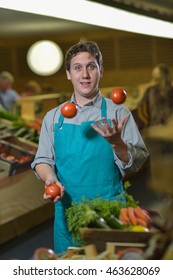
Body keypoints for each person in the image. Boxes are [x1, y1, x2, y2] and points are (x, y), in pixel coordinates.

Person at [31, 39, 149, 254]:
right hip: (69, 212)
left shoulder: (118, 113)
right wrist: (50, 179)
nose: (84, 74)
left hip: (111, 211)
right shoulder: (53, 117)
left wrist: (118, 143)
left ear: (100, 71)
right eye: (77, 68)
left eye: (91, 67)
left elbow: (138, 161)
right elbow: (43, 160)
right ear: (68, 74)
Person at [132, 63, 173, 130]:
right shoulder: (150, 90)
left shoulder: (170, 90)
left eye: (156, 76)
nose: (153, 78)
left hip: (168, 129)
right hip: (155, 127)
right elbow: (141, 107)